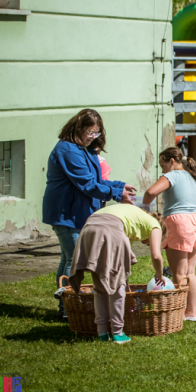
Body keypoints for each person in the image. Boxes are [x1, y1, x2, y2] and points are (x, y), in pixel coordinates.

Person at [43, 108, 137, 321]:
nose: (93, 137)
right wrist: (116, 192)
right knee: (74, 261)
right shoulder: (68, 150)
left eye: (96, 133)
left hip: (79, 213)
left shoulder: (85, 149)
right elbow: (86, 184)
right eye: (90, 132)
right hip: (66, 214)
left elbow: (96, 180)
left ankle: (66, 305)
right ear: (78, 128)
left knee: (69, 258)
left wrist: (119, 186)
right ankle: (68, 308)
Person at [68, 204, 164, 344]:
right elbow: (156, 256)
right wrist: (159, 274)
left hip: (89, 227)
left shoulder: (133, 219)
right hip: (109, 228)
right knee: (117, 287)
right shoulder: (155, 225)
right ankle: (118, 333)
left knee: (100, 286)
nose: (148, 244)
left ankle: (102, 333)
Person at [143, 147, 196, 318]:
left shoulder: (171, 176)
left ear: (171, 161)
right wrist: (190, 217)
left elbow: (150, 192)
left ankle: (179, 311)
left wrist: (144, 210)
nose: (162, 169)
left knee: (179, 273)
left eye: (162, 164)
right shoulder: (194, 178)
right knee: (190, 272)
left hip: (178, 223)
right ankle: (190, 311)